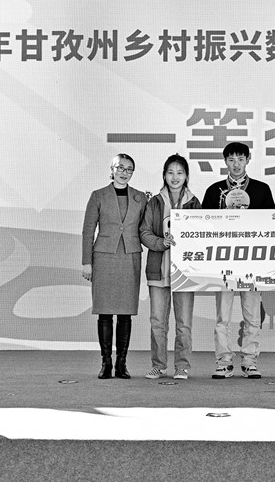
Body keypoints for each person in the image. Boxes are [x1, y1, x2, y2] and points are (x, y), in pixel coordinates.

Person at [201, 142, 275, 379]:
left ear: (248, 160)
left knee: (252, 315)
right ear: (225, 162)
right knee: (223, 317)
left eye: (240, 159)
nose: (236, 164)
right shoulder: (214, 191)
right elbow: (202, 225)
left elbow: (272, 223)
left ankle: (250, 361)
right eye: (231, 159)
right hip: (223, 262)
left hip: (251, 262)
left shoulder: (261, 189)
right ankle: (223, 361)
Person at [81, 153, 148, 379]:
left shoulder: (140, 197)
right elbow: (88, 230)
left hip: (130, 257)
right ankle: (106, 363)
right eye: (120, 167)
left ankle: (121, 363)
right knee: (105, 312)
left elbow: (145, 229)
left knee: (126, 313)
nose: (124, 172)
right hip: (104, 258)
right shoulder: (98, 195)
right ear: (112, 169)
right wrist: (86, 262)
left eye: (129, 169)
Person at [139, 154, 201, 380]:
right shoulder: (154, 202)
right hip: (158, 269)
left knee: (184, 323)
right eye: (170, 172)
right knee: (158, 322)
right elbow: (144, 232)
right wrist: (160, 243)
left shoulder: (194, 203)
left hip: (185, 272)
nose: (175, 177)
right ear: (164, 175)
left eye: (180, 173)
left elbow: (202, 234)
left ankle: (182, 366)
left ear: (186, 176)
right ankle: (159, 365)